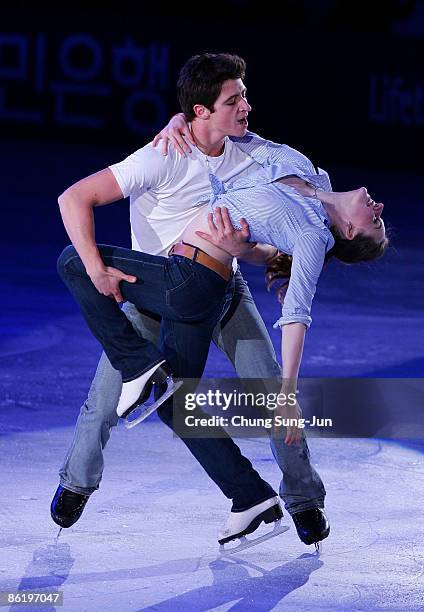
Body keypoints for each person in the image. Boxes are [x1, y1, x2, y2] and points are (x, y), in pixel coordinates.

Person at [51, 52, 334, 549]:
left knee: (272, 393)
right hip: (156, 291)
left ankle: (304, 499)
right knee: (106, 400)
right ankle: (76, 483)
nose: (246, 105)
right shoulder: (164, 153)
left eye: (244, 94)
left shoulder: (251, 156)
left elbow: (273, 230)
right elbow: (74, 198)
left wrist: (270, 256)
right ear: (201, 112)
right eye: (234, 98)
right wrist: (96, 269)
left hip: (224, 290)